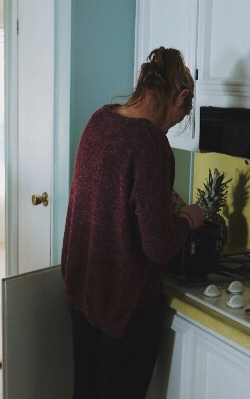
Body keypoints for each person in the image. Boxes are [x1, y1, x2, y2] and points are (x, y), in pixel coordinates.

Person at [61, 47, 205, 398]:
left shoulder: (99, 119)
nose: (172, 127)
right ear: (180, 97)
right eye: (179, 117)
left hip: (83, 289)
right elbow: (157, 247)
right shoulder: (150, 142)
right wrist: (188, 219)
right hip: (124, 307)